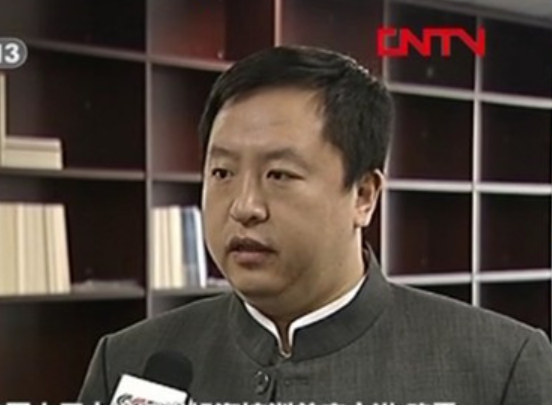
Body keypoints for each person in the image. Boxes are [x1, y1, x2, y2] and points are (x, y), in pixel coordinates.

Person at [78, 46, 552, 404]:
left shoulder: (500, 367)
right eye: (222, 172)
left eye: (279, 175)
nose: (244, 206)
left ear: (363, 195)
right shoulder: (128, 360)